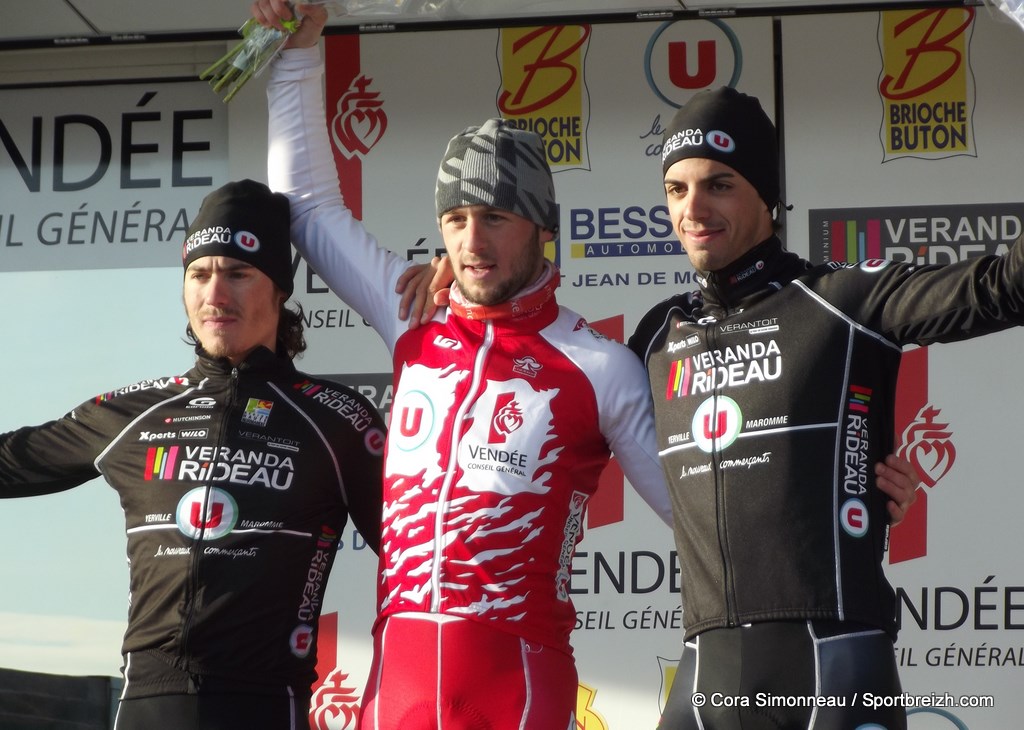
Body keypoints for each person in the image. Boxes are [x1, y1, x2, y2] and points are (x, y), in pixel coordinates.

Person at [251, 3, 679, 728]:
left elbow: (698, 513)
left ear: (544, 226)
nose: (471, 241)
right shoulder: (413, 312)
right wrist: (298, 55)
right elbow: (306, 211)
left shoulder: (598, 365)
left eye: (495, 218)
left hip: (520, 692)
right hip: (397, 691)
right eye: (455, 220)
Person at [628, 86, 1024, 729]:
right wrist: (456, 277)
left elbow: (1005, 288)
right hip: (704, 677)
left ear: (766, 195)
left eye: (719, 184)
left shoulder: (843, 300)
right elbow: (548, 389)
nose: (693, 208)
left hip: (832, 670)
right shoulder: (656, 336)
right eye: (676, 189)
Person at [0, 179, 387, 730]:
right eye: (199, 274)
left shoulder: (335, 420)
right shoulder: (134, 413)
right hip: (148, 702)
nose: (215, 294)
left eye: (237, 272)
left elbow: (421, 556)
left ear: (279, 289)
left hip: (268, 703)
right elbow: (12, 459)